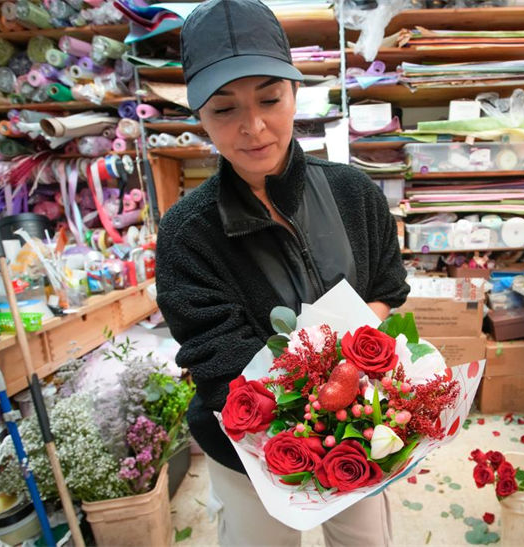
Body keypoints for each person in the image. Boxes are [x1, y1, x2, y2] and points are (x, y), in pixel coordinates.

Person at [155, 0, 410, 544]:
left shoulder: (355, 194)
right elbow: (217, 357)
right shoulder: (187, 232)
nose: (254, 127)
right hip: (248, 447)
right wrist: (311, 405)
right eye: (223, 110)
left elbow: (387, 288)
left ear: (295, 93)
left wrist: (350, 391)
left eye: (270, 98)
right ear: (198, 114)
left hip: (360, 431)